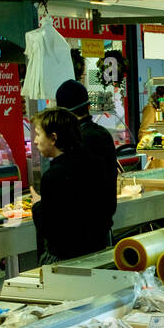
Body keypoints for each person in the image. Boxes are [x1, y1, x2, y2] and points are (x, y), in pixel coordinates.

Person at [29, 108, 106, 264]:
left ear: (53, 138)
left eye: (38, 134)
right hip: (97, 251)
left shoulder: (53, 176)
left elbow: (51, 229)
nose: (35, 141)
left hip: (64, 259)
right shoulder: (94, 164)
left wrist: (37, 205)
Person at [55, 79, 117, 230]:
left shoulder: (75, 141)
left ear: (62, 114)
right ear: (89, 106)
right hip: (104, 222)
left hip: (81, 230)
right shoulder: (103, 134)